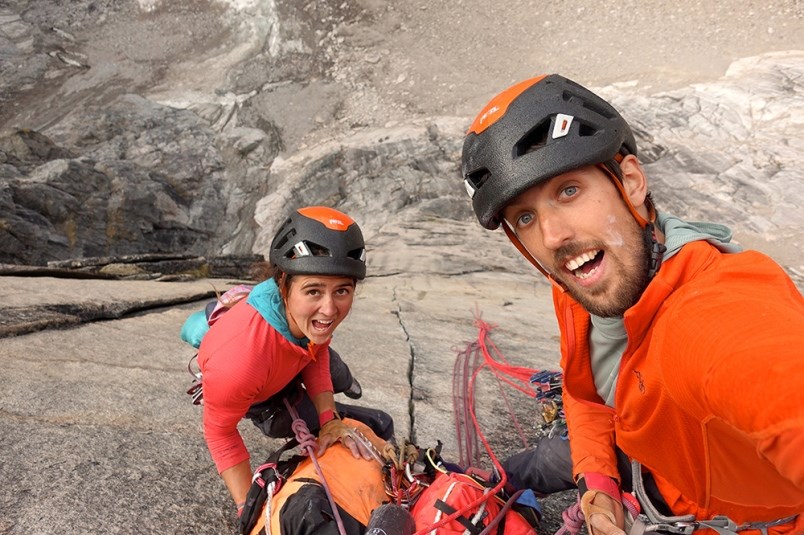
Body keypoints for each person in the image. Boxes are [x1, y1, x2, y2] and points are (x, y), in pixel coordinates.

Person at [460, 74, 804, 534]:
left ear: (632, 182)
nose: (553, 236)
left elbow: (765, 369)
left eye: (568, 191)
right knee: (540, 462)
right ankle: (490, 481)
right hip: (641, 467)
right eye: (525, 217)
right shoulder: (582, 288)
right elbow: (584, 394)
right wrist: (598, 484)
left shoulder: (709, 311)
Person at [195, 205, 395, 519]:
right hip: (264, 384)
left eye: (342, 291)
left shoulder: (309, 318)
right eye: (313, 291)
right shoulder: (239, 362)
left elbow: (316, 353)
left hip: (293, 356)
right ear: (284, 284)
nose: (329, 310)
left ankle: (345, 384)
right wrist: (250, 510)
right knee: (378, 424)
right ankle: (333, 391)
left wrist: (330, 419)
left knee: (335, 372)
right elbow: (219, 433)